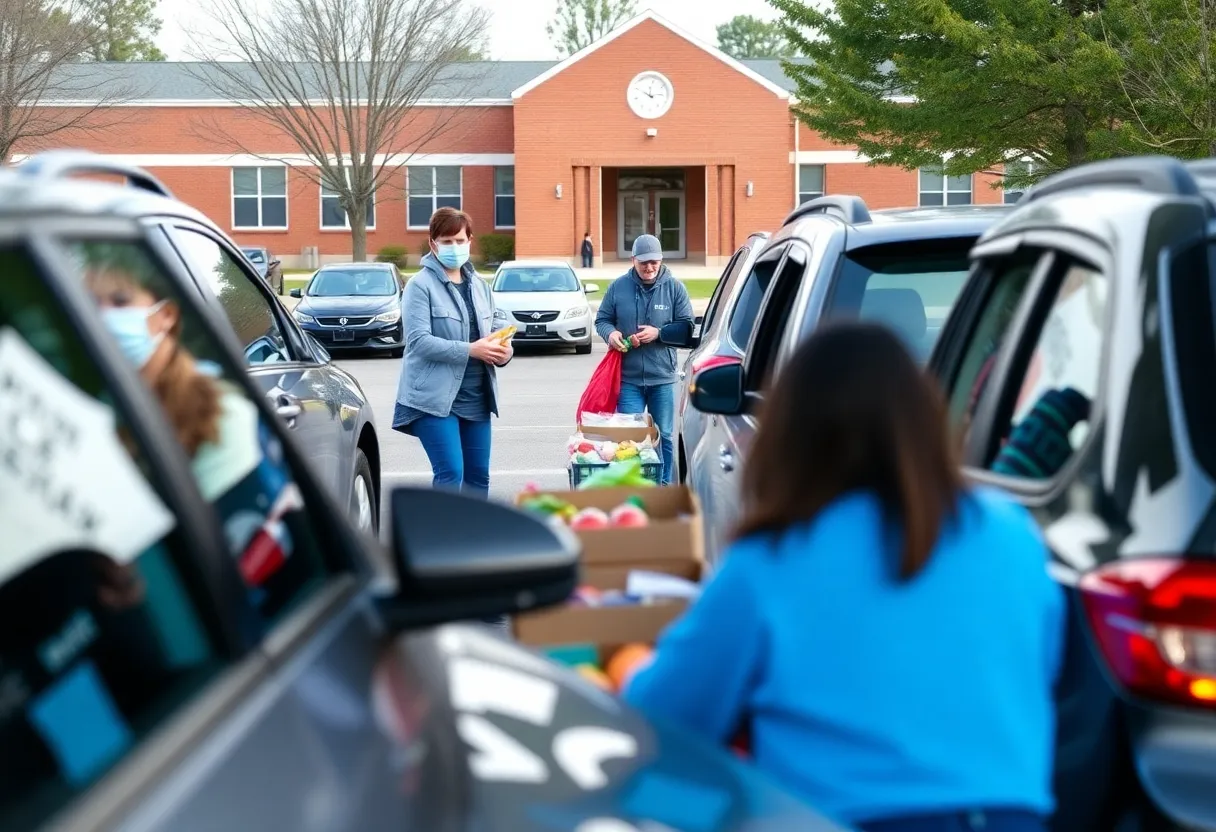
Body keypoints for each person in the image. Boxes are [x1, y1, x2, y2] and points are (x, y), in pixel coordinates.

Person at [622, 322, 1064, 832]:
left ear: (790, 432)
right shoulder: (1011, 533)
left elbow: (663, 717)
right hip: (1012, 817)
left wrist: (630, 668)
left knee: (657, 797)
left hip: (843, 817)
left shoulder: (774, 556)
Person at [393, 207, 512, 497]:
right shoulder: (419, 286)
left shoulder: (480, 286)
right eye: (446, 241)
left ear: (470, 240)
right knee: (451, 474)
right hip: (434, 400)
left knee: (478, 478)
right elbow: (418, 341)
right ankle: (440, 540)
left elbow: (499, 326)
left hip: (476, 397)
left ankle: (473, 541)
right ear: (433, 244)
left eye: (460, 240)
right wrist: (471, 350)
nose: (454, 247)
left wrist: (505, 351)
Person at [593, 233, 693, 485]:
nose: (649, 268)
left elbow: (686, 328)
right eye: (643, 263)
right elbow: (602, 319)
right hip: (629, 379)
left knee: (665, 436)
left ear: (661, 261)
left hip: (663, 378)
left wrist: (659, 333)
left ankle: (664, 486)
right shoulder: (618, 287)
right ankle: (635, 486)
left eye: (654, 263)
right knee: (630, 437)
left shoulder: (675, 288)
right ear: (633, 260)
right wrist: (612, 333)